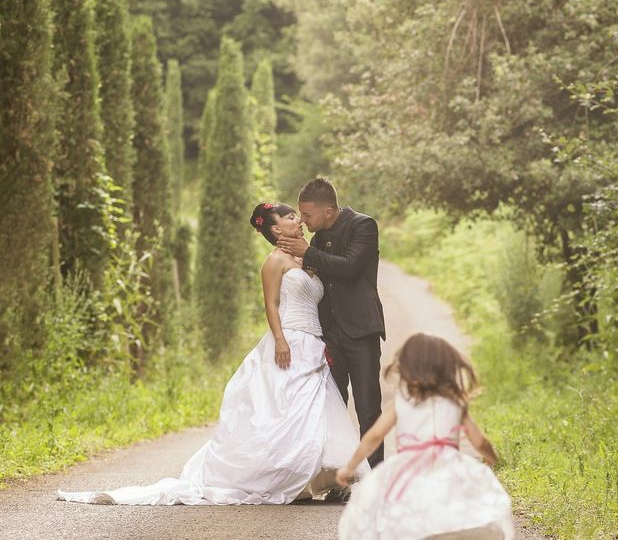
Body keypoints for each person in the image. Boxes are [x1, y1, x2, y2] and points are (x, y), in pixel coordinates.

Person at [55, 203, 369, 505]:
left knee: (317, 411)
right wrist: (280, 340)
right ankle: (269, 476)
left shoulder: (309, 259)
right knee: (281, 409)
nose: (297, 219)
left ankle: (320, 478)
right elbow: (270, 304)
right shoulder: (274, 261)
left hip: (313, 344)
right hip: (289, 341)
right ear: (275, 229)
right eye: (290, 216)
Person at [334, 333, 515, 539]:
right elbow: (480, 441)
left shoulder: (402, 402)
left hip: (408, 473)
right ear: (446, 367)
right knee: (451, 519)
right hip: (449, 472)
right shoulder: (456, 402)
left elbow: (374, 436)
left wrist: (350, 467)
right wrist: (492, 458)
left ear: (406, 366)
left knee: (407, 522)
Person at [277, 179, 387, 468]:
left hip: (362, 330)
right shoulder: (314, 239)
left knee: (368, 407)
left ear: (328, 211)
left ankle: (375, 475)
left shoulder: (364, 226)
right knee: (332, 408)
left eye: (307, 215)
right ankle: (339, 477)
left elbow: (350, 268)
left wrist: (307, 253)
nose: (302, 220)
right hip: (329, 334)